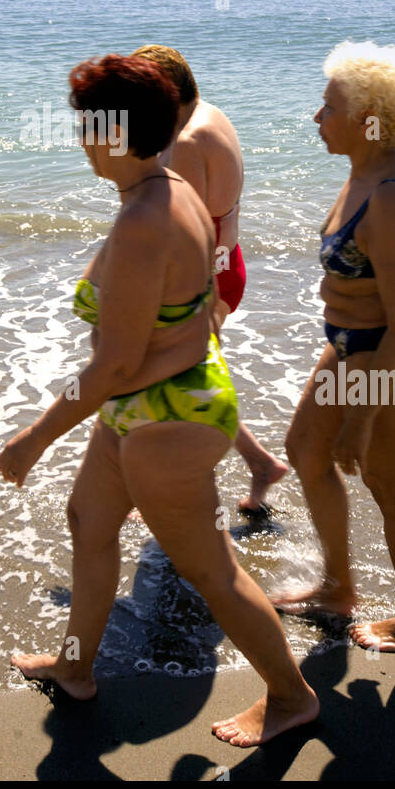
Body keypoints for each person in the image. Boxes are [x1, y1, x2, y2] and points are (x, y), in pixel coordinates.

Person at [0, 54, 319, 746]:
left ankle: (292, 697)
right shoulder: (166, 188)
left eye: (86, 125)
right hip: (149, 408)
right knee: (88, 519)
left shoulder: (148, 216)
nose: (80, 137)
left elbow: (114, 364)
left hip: (169, 419)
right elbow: (193, 311)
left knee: (211, 570)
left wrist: (35, 436)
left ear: (115, 132)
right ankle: (77, 668)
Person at [272, 41, 395, 654]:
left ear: (369, 118)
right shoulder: (366, 166)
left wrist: (362, 418)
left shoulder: (392, 198)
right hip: (353, 348)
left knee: (392, 492)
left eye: (328, 106)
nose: (316, 117)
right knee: (304, 450)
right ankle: (340, 588)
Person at [132, 45, 286, 512]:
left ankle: (183, 488)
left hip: (206, 277)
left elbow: (185, 233)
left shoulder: (187, 142)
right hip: (227, 262)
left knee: (176, 373)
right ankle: (255, 464)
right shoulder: (210, 114)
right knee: (190, 375)